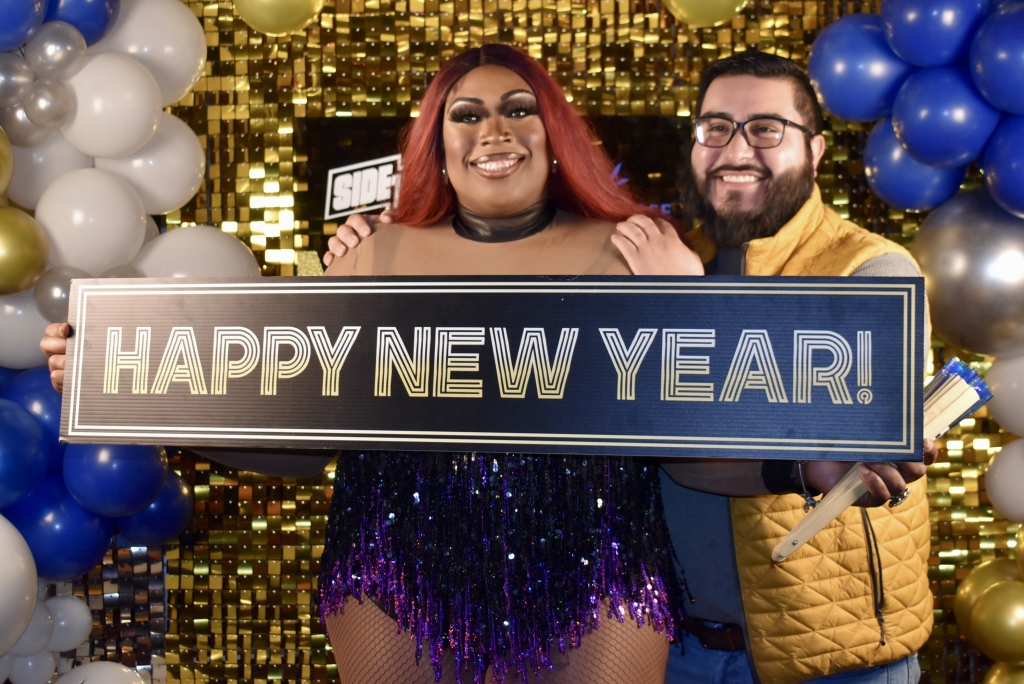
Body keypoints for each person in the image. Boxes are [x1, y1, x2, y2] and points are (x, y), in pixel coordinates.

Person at [43, 44, 704, 684]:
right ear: (437, 144)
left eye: (518, 109)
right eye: (467, 115)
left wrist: (691, 301)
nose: (494, 130)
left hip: (598, 565)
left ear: (553, 128)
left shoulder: (636, 253)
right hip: (395, 571)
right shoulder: (372, 255)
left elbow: (700, 439)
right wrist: (125, 389)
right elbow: (304, 446)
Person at [323, 51, 937, 684]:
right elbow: (677, 451)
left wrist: (687, 305)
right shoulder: (672, 251)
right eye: (716, 127)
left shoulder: (866, 272)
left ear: (816, 149)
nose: (737, 148)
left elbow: (864, 434)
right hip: (687, 649)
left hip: (825, 646)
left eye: (765, 129)